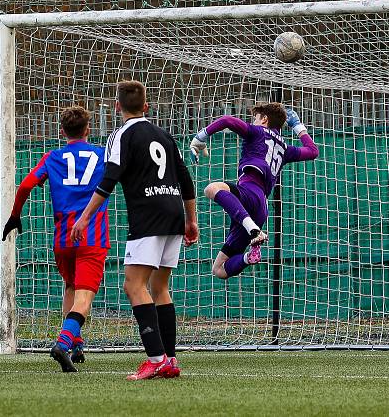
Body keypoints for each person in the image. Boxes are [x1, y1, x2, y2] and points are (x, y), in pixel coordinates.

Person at [71, 80, 198, 380]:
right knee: (160, 287)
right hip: (173, 214)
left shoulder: (120, 135)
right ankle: (170, 360)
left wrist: (86, 217)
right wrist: (191, 220)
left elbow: (110, 178)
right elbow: (186, 180)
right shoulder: (164, 135)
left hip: (148, 215)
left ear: (117, 107)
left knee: (133, 285)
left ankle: (155, 359)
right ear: (146, 107)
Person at [2, 106, 109, 372]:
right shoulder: (102, 154)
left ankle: (76, 344)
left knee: (71, 287)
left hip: (63, 239)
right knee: (84, 298)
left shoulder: (53, 157)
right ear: (88, 130)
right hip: (91, 235)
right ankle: (62, 343)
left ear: (62, 132)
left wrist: (15, 216)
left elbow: (26, 185)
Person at [189, 104, 319, 279]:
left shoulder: (257, 132)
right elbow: (313, 151)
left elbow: (227, 120)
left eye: (256, 118)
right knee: (219, 270)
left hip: (249, 193)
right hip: (260, 208)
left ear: (264, 119)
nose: (253, 122)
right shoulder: (285, 149)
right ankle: (249, 257)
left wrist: (200, 137)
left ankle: (253, 231)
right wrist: (296, 125)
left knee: (211, 189)